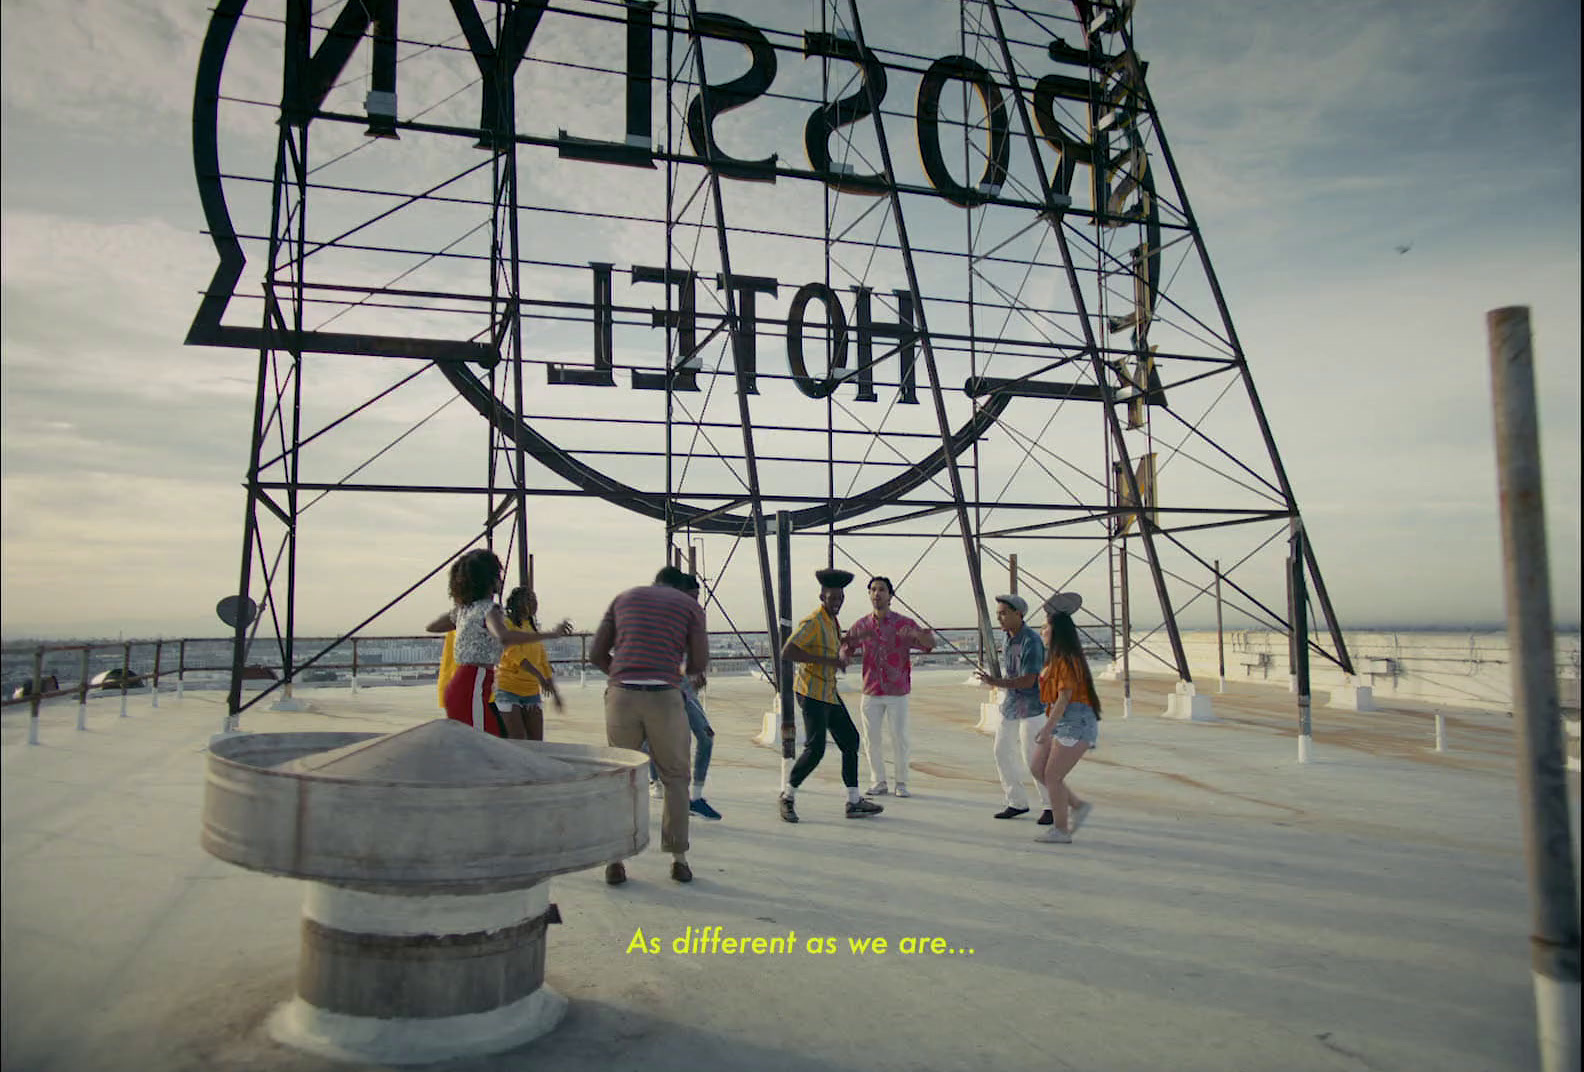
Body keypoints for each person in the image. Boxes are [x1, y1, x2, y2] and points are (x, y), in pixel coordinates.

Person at [590, 566, 709, 884]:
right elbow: (698, 662)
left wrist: (620, 677)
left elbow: (596, 653)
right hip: (663, 698)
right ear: (681, 588)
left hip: (621, 697)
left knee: (622, 777)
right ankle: (678, 858)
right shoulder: (689, 606)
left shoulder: (623, 599)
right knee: (675, 778)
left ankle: (615, 860)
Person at [424, 549, 571, 736]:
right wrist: (550, 634)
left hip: (462, 685)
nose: (501, 581)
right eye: (498, 577)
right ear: (490, 581)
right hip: (474, 686)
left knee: (487, 741)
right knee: (484, 747)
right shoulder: (489, 609)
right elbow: (504, 636)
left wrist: (463, 615)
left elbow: (433, 626)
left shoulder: (464, 610)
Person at [777, 568, 884, 823]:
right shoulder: (813, 621)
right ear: (822, 596)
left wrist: (857, 637)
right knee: (815, 749)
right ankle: (787, 796)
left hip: (828, 691)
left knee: (850, 740)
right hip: (812, 692)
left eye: (840, 598)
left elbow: (836, 645)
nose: (837, 602)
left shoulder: (831, 621)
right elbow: (787, 652)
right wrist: (828, 661)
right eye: (832, 598)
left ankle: (854, 801)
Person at [840, 575, 936, 798]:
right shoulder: (862, 624)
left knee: (899, 738)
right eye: (873, 589)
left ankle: (901, 782)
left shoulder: (904, 623)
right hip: (871, 691)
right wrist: (843, 656)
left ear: (890, 595)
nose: (877, 594)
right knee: (871, 739)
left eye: (882, 589)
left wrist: (916, 635)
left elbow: (930, 644)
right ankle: (878, 781)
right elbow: (847, 645)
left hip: (897, 691)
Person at [645, 573, 723, 820]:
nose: (695, 602)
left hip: (684, 688)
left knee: (706, 736)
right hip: (663, 688)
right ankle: (653, 779)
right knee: (655, 741)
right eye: (692, 597)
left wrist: (697, 671)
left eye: (698, 598)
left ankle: (696, 797)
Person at [974, 594, 1053, 823]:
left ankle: (1050, 805)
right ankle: (1016, 802)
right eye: (998, 613)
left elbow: (1029, 680)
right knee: (1001, 751)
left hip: (1033, 706)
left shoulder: (1031, 641)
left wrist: (995, 682)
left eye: (1003, 613)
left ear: (1018, 614)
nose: (999, 617)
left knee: (1033, 757)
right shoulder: (1008, 638)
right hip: (1011, 704)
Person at [1031, 592, 1101, 844]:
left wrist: (1047, 728)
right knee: (1037, 768)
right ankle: (1077, 805)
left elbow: (1064, 697)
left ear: (1056, 631)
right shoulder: (1055, 659)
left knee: (1052, 775)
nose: (1042, 632)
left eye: (1044, 628)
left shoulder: (1068, 661)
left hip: (1075, 723)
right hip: (1061, 721)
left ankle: (1061, 830)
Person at [495, 586, 564, 741]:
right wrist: (540, 677)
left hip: (531, 691)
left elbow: (543, 661)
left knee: (536, 740)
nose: (534, 604)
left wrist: (555, 694)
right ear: (519, 603)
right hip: (508, 690)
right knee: (517, 738)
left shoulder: (531, 627)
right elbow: (516, 657)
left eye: (534, 600)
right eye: (529, 600)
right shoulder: (507, 626)